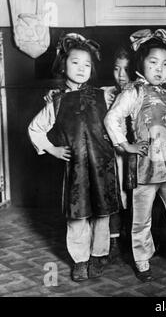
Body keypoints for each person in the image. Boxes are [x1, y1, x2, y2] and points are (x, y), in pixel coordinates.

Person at [28, 33, 122, 282]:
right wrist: (52, 149)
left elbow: (128, 102)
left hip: (103, 165)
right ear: (63, 65)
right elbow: (35, 128)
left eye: (87, 64)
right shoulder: (56, 101)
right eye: (75, 62)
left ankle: (98, 254)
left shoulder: (105, 95)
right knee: (77, 215)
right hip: (77, 168)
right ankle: (80, 260)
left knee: (102, 214)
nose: (81, 69)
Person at [104, 29, 166, 282]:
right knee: (141, 216)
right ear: (140, 64)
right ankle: (142, 258)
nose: (160, 69)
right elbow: (112, 118)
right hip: (145, 166)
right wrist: (125, 145)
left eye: (165, 64)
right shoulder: (134, 91)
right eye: (153, 62)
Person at [102, 47, 134, 263]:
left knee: (134, 197)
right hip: (112, 156)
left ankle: (132, 241)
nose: (121, 75)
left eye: (126, 69)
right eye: (116, 69)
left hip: (136, 156)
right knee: (112, 195)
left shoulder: (140, 92)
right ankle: (113, 240)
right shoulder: (104, 93)